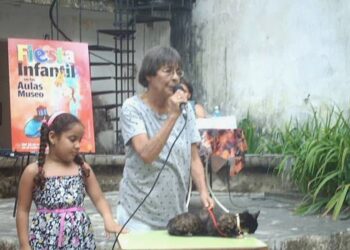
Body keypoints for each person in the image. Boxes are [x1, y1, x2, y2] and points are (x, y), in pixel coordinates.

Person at [117, 46, 214, 231]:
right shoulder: (132, 108)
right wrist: (172, 117)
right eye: (168, 71)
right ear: (149, 76)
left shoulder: (186, 110)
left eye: (178, 72)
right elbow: (146, 153)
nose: (176, 78)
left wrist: (203, 192)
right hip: (138, 215)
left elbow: (194, 157)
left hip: (175, 215)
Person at [16, 112, 126, 250]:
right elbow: (22, 210)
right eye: (72, 139)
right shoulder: (34, 172)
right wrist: (24, 244)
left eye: (79, 140)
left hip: (80, 241)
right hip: (45, 241)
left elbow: (99, 199)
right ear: (52, 137)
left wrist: (108, 218)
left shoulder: (83, 169)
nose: (78, 145)